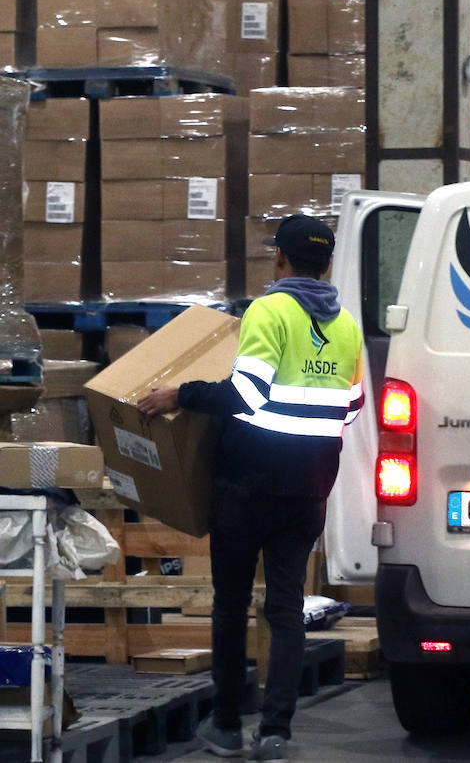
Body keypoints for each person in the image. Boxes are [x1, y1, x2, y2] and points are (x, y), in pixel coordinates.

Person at [136, 214, 363, 762]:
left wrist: (181, 395)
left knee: (232, 604)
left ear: (281, 260)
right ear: (327, 263)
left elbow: (245, 395)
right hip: (309, 486)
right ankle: (276, 734)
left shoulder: (269, 310)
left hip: (249, 482)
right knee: (285, 609)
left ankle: (227, 725)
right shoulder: (348, 325)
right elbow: (352, 407)